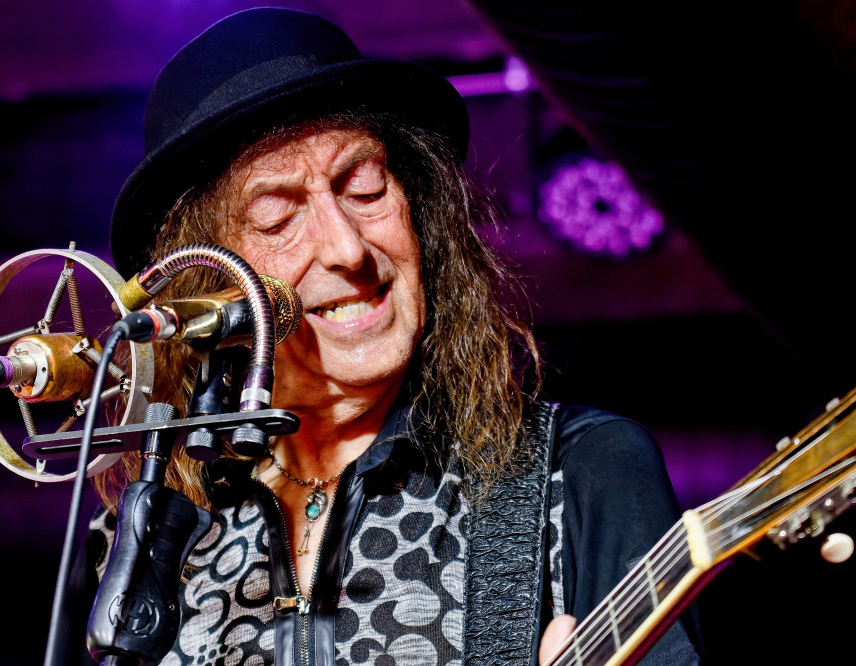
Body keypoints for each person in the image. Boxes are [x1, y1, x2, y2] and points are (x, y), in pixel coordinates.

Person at [63, 7, 704, 665]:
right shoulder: (141, 550)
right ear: (205, 282)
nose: (347, 248)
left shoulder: (580, 472)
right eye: (278, 217)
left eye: (365, 188)